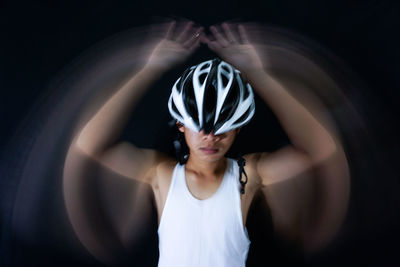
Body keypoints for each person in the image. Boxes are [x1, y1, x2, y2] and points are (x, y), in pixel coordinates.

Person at [65, 21, 349, 267]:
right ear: (180, 124)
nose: (210, 138)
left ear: (238, 129)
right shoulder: (160, 175)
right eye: (199, 128)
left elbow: (321, 151)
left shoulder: (248, 176)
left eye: (223, 129)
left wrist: (260, 73)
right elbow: (89, 145)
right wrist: (148, 68)